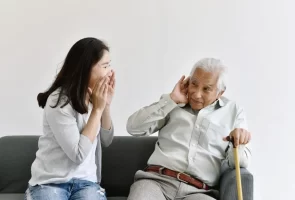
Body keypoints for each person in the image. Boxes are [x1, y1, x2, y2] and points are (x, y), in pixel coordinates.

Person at [126, 58, 251, 200]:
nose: (196, 94)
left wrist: (238, 143)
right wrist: (171, 100)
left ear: (220, 92)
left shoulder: (233, 112)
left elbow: (240, 163)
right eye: (194, 84)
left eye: (206, 89)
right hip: (156, 182)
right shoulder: (172, 103)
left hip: (199, 192)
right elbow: (133, 128)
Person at [25, 37, 115, 200]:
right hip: (50, 182)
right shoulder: (58, 101)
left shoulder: (95, 98)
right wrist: (97, 110)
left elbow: (107, 140)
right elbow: (78, 155)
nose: (110, 71)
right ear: (87, 68)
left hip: (87, 183)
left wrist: (106, 106)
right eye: (105, 66)